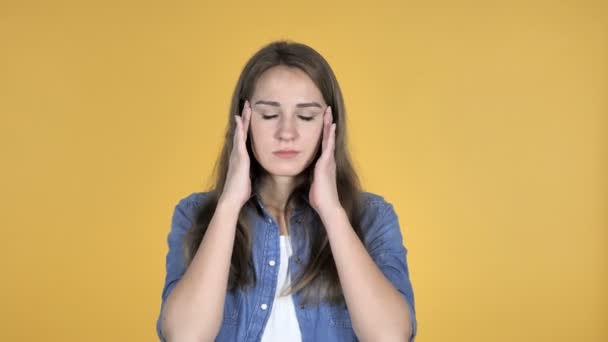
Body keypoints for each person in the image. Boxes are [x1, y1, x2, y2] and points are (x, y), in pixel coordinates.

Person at [156, 40, 417, 342]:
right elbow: (185, 336)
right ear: (243, 121)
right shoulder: (195, 214)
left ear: (330, 125)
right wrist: (229, 205)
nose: (287, 133)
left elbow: (390, 336)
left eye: (306, 116)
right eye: (269, 115)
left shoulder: (373, 216)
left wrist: (332, 212)